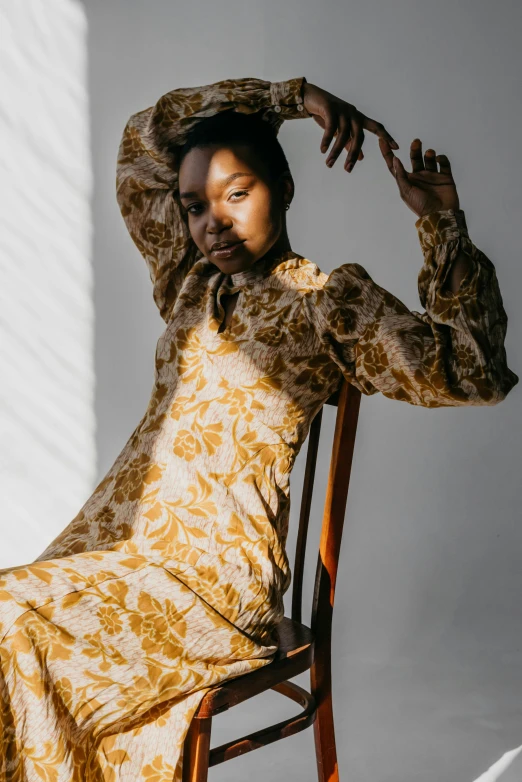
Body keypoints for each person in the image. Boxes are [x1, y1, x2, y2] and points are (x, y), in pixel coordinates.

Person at [0, 75, 518, 780]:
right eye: (194, 207)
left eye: (237, 194)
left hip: (216, 586)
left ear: (284, 187)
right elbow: (139, 140)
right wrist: (289, 97)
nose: (212, 221)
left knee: (13, 627)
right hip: (124, 554)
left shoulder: (326, 304)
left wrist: (440, 224)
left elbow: (474, 373)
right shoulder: (188, 285)